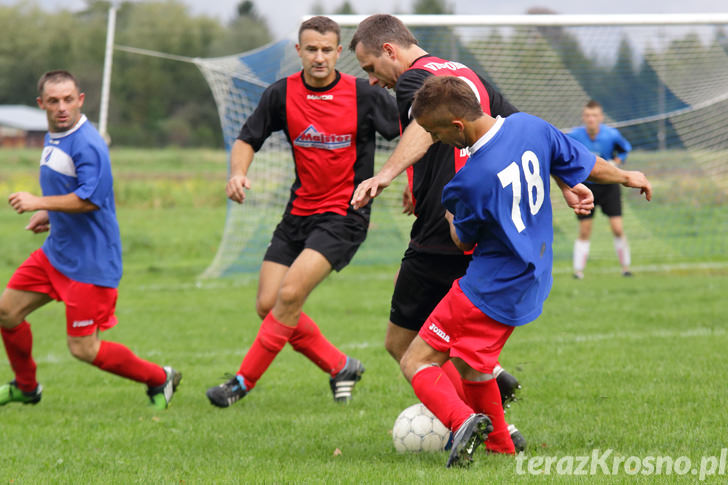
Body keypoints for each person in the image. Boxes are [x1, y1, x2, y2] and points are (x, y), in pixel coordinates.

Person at [347, 14, 592, 448]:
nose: (370, 80)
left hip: (444, 228)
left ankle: (472, 421)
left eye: (369, 68)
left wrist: (385, 173)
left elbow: (422, 133)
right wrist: (566, 180)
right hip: (471, 224)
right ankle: (494, 409)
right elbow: (525, 129)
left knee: (406, 345)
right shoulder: (462, 74)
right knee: (454, 344)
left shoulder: (413, 81)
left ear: (390, 50)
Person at [401, 76, 651, 468]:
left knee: (415, 360)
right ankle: (501, 446)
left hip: (486, 287)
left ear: (457, 127)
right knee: (474, 365)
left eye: (435, 133)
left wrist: (450, 214)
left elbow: (462, 242)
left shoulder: (466, 182)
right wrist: (626, 176)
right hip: (531, 278)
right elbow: (584, 162)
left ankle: (462, 420)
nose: (436, 141)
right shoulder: (530, 126)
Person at [205, 16, 399, 408]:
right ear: (299, 51)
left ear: (339, 53)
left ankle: (241, 383)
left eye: (327, 50)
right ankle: (340, 365)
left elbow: (415, 132)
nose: (319, 57)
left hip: (345, 215)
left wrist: (410, 180)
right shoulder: (281, 94)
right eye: (311, 49)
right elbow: (247, 138)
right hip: (298, 212)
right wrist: (238, 174)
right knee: (268, 304)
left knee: (290, 295)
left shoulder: (364, 95)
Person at [0, 70, 181, 409]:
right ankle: (26, 388)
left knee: (83, 348)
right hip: (57, 254)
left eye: (69, 99)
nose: (62, 107)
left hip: (90, 263)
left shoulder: (87, 143)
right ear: (41, 105)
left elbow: (90, 199)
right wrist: (51, 214)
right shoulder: (55, 136)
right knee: (7, 313)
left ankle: (159, 377)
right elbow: (68, 188)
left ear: (80, 99)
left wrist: (39, 202)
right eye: (53, 101)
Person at [568, 100, 634, 279]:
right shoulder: (574, 136)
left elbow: (625, 150)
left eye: (595, 115)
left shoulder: (611, 135)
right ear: (583, 117)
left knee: (617, 228)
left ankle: (626, 268)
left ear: (601, 117)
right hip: (585, 187)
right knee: (584, 230)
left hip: (608, 186)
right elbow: (564, 154)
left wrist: (616, 163)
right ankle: (578, 272)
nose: (591, 119)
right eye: (588, 115)